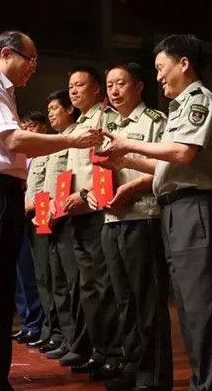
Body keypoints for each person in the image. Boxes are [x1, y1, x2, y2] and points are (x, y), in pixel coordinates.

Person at [0, 30, 103, 391]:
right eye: (31, 60)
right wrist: (71, 140)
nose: (34, 68)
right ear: (7, 54)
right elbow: (13, 140)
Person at [98, 35, 212, 390]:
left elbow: (183, 153)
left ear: (184, 63)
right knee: (189, 307)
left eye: (161, 68)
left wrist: (128, 143)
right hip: (175, 209)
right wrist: (122, 159)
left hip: (196, 208)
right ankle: (201, 381)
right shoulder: (178, 108)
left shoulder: (199, 100)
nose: (159, 76)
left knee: (205, 304)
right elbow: (164, 165)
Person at [87, 63, 173, 390]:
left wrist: (132, 187)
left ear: (138, 86)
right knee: (123, 301)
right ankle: (133, 367)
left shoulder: (154, 121)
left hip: (143, 217)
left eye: (121, 83)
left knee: (147, 301)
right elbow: (100, 169)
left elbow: (167, 168)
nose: (114, 90)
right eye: (109, 85)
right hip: (112, 220)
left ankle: (154, 376)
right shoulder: (106, 126)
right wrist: (94, 194)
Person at [62, 66, 124, 379]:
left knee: (104, 285)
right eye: (70, 86)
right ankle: (99, 350)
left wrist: (84, 194)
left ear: (96, 89)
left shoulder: (104, 119)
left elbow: (106, 165)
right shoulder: (77, 126)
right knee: (87, 287)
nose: (73, 91)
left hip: (97, 210)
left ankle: (115, 352)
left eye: (80, 85)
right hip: (77, 214)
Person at [42, 90, 93, 364]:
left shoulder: (76, 136)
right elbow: (46, 185)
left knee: (74, 283)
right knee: (56, 281)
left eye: (54, 108)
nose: (50, 114)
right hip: (50, 216)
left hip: (68, 214)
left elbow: (69, 180)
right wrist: (43, 214)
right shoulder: (57, 140)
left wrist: (57, 209)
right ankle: (65, 336)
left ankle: (79, 342)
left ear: (69, 109)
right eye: (48, 109)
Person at [23, 110, 65, 353]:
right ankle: (49, 330)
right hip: (34, 216)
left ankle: (58, 333)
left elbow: (50, 189)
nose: (27, 131)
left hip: (51, 214)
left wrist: (38, 210)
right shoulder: (34, 152)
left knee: (54, 277)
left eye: (32, 126)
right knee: (41, 277)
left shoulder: (54, 145)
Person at [11, 113, 47, 346]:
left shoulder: (47, 152)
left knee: (36, 274)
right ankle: (27, 322)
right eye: (23, 127)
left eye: (32, 126)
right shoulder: (20, 158)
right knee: (20, 274)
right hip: (18, 217)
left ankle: (38, 325)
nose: (27, 131)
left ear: (43, 128)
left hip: (39, 215)